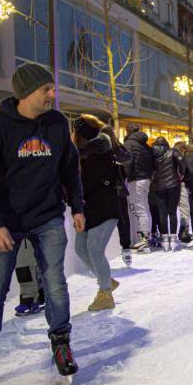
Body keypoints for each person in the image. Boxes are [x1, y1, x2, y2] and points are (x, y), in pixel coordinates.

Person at [0, 63, 83, 385]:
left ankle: (61, 343)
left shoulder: (56, 124)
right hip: (5, 221)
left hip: (47, 217)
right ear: (27, 92)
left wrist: (77, 206)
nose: (52, 94)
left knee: (55, 283)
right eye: (46, 89)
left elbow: (70, 169)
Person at [72, 115, 121, 311]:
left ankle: (105, 294)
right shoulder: (84, 153)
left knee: (94, 250)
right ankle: (106, 279)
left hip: (104, 208)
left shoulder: (99, 152)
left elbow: (88, 183)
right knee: (81, 248)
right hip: (88, 209)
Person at [98, 125, 134, 267]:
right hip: (116, 189)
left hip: (106, 190)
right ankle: (126, 249)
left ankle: (122, 250)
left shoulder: (113, 148)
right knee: (122, 220)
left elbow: (128, 158)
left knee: (109, 221)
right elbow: (128, 159)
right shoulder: (117, 148)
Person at [123, 123, 154, 252]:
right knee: (145, 209)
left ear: (127, 131)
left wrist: (124, 177)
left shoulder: (129, 144)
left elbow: (127, 164)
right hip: (146, 179)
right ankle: (146, 238)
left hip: (136, 180)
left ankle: (144, 241)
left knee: (140, 210)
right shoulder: (145, 145)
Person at [151, 137, 184, 251]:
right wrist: (181, 173)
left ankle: (165, 240)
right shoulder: (173, 152)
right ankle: (173, 240)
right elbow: (181, 162)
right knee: (172, 212)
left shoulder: (152, 153)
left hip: (158, 185)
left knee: (162, 213)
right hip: (174, 185)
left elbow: (149, 168)